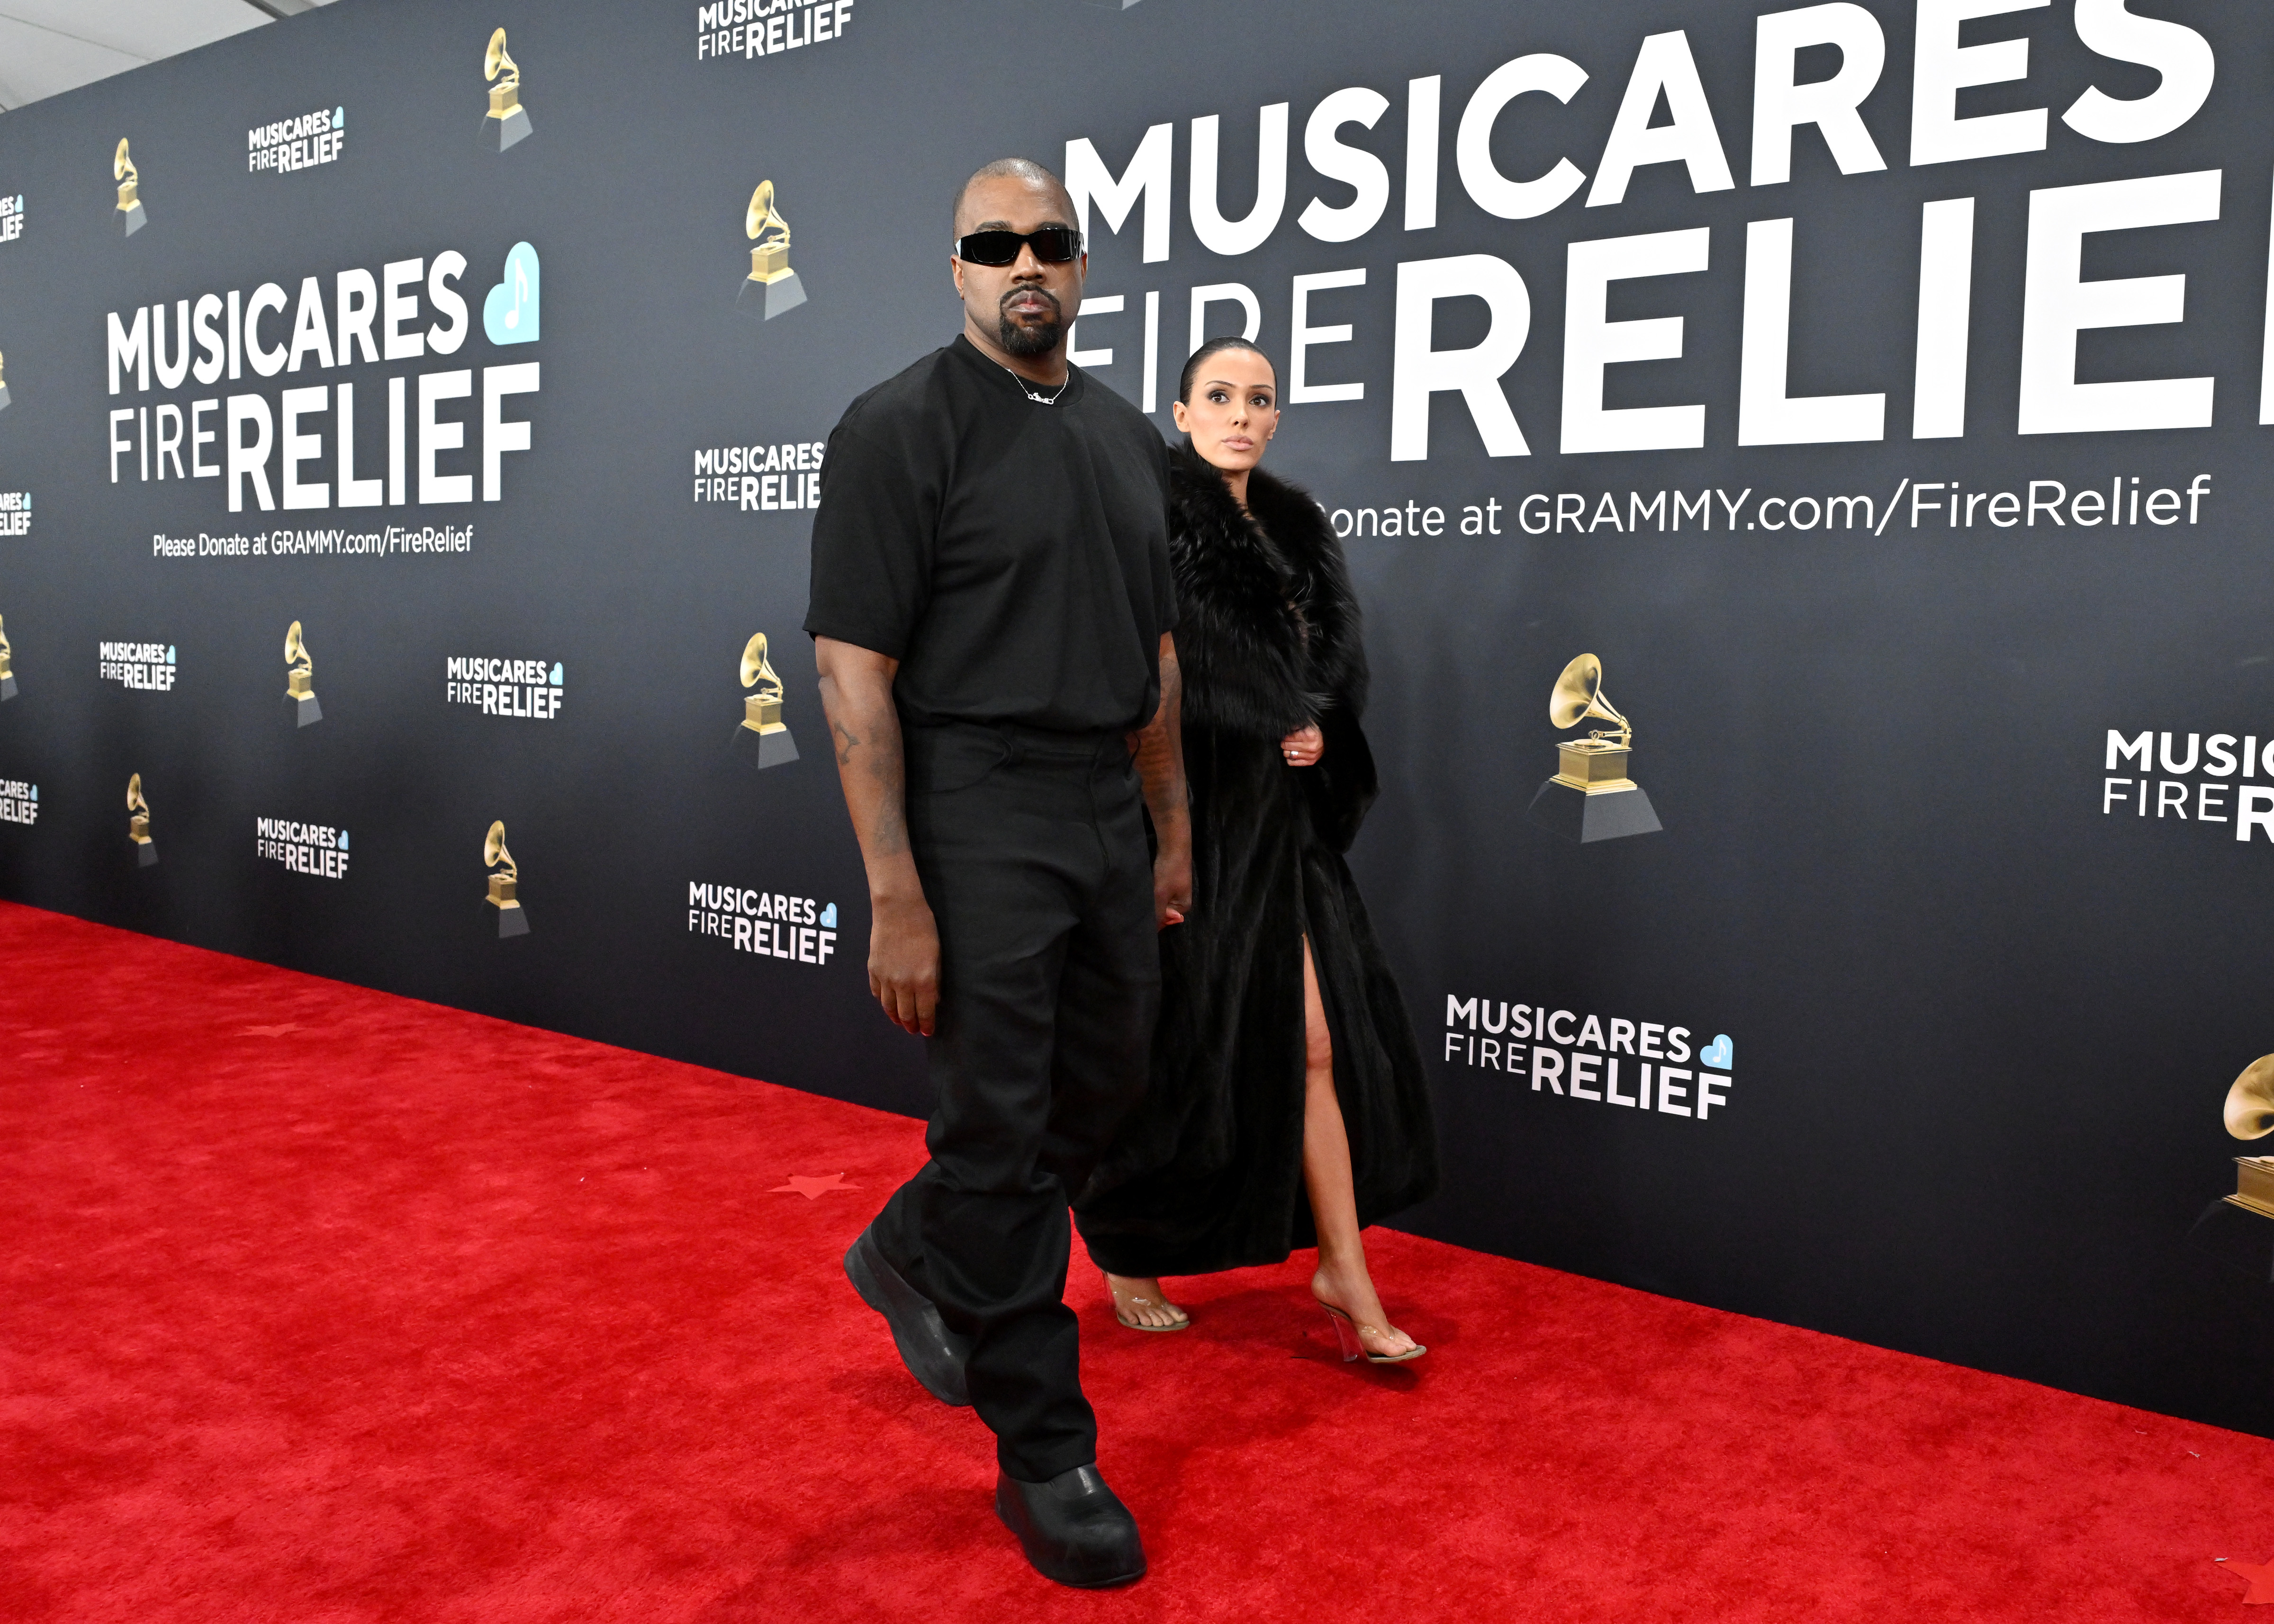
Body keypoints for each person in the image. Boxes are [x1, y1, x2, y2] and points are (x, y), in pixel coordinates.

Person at [804, 157, 1188, 1590]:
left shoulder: (1125, 436)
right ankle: (1046, 1451)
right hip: (972, 807)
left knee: (1107, 1085)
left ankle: (914, 1242)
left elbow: (1155, 657)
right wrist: (897, 890)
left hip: (1104, 802)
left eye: (1051, 240)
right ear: (956, 266)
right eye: (995, 241)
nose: (1026, 259)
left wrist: (1175, 830)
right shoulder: (897, 427)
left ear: (1080, 264)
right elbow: (853, 673)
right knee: (1000, 1118)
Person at [1074, 338, 1439, 1364]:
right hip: (1187, 822)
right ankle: (1127, 1242)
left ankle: (1344, 1271)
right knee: (1166, 1049)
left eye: (1260, 399)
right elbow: (1132, 675)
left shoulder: (1296, 523)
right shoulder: (1154, 519)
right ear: (1182, 413)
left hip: (1284, 833)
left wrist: (1317, 722)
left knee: (1318, 1045)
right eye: (1220, 396)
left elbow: (1329, 670)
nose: (1241, 413)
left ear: (1277, 417)